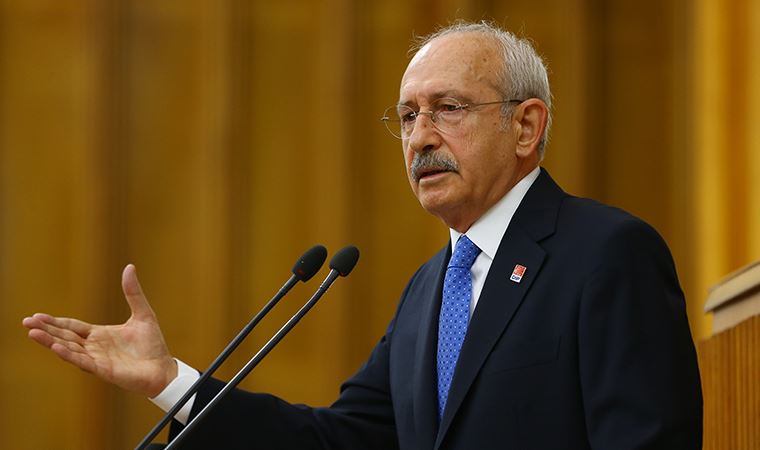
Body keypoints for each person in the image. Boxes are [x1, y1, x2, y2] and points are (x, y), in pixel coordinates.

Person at [22, 21, 702, 449]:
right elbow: (339, 442)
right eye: (407, 117)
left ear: (526, 126)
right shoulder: (430, 290)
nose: (420, 137)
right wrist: (171, 381)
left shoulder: (606, 255)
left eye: (448, 109)